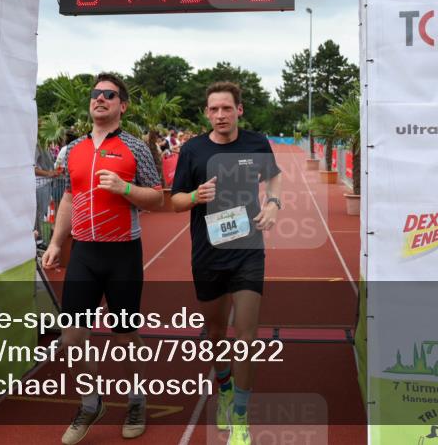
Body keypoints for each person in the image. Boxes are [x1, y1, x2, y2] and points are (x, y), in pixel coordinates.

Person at [41, 73, 163, 444]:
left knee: (125, 335)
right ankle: (91, 403)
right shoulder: (72, 149)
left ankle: (136, 399)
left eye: (109, 95)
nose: (100, 99)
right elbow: (67, 198)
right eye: (96, 94)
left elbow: (157, 197)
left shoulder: (136, 148)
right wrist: (57, 243)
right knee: (73, 333)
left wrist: (125, 188)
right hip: (84, 251)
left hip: (123, 250)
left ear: (122, 105)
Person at [171, 82, 282, 445]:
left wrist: (272, 204)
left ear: (239, 110)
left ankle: (240, 416)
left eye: (226, 108)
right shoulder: (193, 150)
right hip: (207, 254)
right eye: (213, 109)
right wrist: (193, 196)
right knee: (217, 333)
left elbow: (274, 178)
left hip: (248, 250)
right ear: (206, 113)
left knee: (246, 337)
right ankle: (224, 389)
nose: (220, 115)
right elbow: (174, 201)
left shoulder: (256, 143)